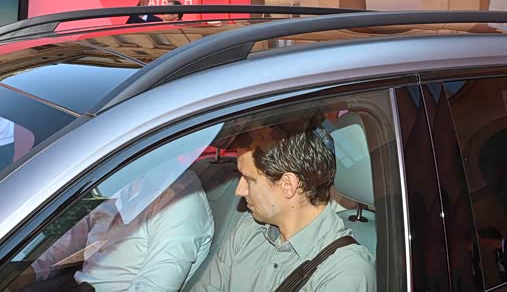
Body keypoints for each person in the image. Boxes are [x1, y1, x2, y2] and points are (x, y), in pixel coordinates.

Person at [191, 122, 376, 291]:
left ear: (288, 185)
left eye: (249, 179)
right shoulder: (249, 228)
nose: (239, 191)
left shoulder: (344, 272)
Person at [22, 163, 214, 291]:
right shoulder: (125, 178)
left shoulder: (180, 202)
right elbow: (75, 237)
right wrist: (30, 273)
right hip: (74, 283)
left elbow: (154, 287)